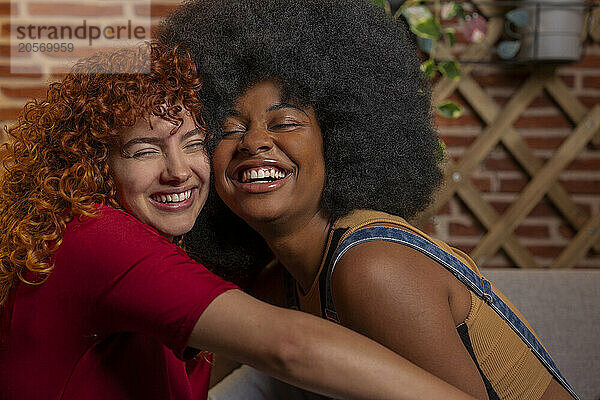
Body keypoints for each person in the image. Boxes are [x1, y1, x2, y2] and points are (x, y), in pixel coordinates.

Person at [0, 42, 476, 400]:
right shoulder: (104, 240)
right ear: (95, 165)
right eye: (144, 151)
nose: (179, 170)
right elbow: (290, 347)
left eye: (192, 143)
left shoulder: (148, 252)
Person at [160, 1, 580, 399]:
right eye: (229, 130)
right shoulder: (284, 282)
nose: (253, 142)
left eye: (284, 122)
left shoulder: (370, 268)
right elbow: (177, 381)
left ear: (340, 139)